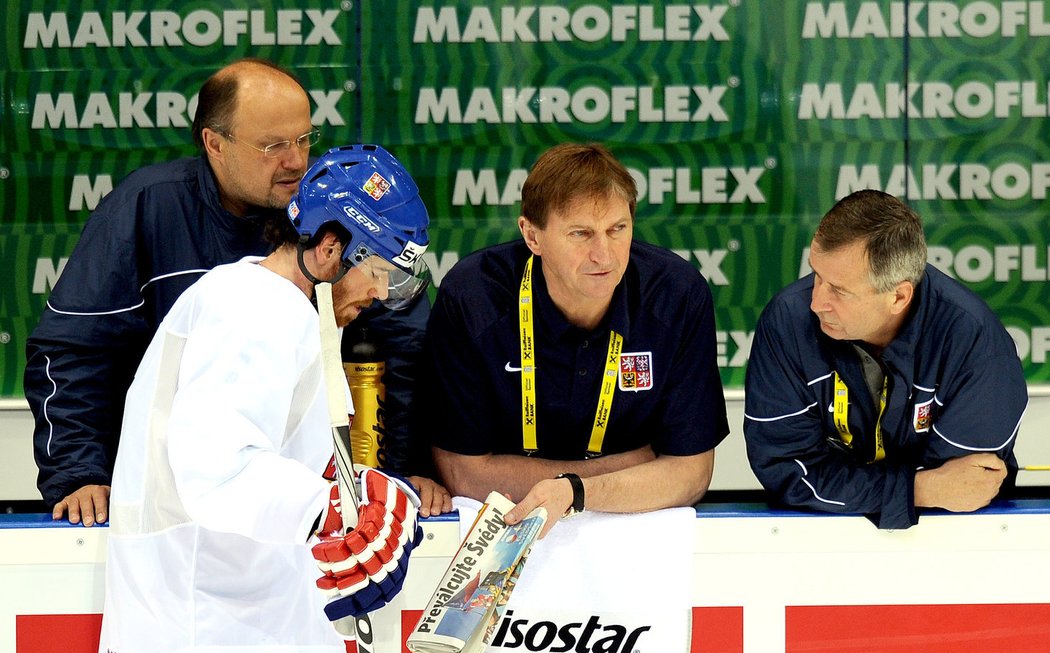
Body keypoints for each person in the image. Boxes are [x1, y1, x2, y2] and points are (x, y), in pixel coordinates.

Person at [92, 144, 430, 653]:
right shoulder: (253, 309)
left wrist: (343, 501)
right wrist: (334, 508)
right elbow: (213, 464)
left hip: (265, 646)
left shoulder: (281, 314)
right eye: (384, 270)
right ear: (331, 245)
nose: (383, 295)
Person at [23, 58, 449, 527]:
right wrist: (80, 472)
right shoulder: (148, 208)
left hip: (306, 505)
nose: (296, 161)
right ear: (214, 143)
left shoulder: (337, 205)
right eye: (273, 145)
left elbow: (405, 349)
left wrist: (407, 470)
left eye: (305, 139)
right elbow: (71, 352)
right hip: (166, 505)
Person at [421, 142, 729, 533]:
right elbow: (463, 473)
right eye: (581, 234)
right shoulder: (473, 296)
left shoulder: (676, 294)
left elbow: (691, 474)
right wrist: (627, 468)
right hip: (502, 530)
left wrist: (575, 492)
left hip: (631, 537)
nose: (605, 255)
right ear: (532, 236)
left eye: (617, 229)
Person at [743, 189, 1028, 530]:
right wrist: (919, 489)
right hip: (821, 544)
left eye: (839, 290)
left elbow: (968, 485)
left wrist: (873, 488)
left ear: (898, 296)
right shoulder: (787, 323)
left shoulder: (974, 341)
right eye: (817, 276)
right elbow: (788, 472)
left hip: (960, 546)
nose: (816, 302)